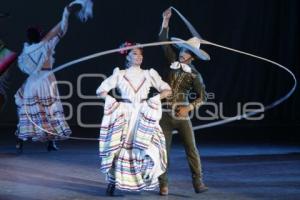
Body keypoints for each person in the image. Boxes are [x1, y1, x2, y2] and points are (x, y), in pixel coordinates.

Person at [14, 1, 91, 153]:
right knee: (50, 109)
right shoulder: (46, 46)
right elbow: (60, 31)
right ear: (40, 36)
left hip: (32, 82)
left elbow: (52, 33)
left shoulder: (27, 49)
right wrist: (66, 14)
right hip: (46, 80)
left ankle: (20, 142)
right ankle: (51, 143)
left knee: (27, 110)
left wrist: (66, 13)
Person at [96, 42, 172, 195]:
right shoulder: (120, 74)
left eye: (140, 54)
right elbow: (101, 91)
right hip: (126, 115)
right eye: (135, 53)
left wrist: (155, 99)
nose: (139, 56)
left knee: (151, 147)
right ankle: (113, 182)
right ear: (127, 57)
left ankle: (144, 177)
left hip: (144, 114)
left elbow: (167, 89)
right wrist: (114, 103)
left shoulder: (149, 73)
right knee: (119, 149)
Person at [158, 7, 209, 195]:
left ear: (192, 56)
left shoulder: (195, 75)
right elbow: (163, 42)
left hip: (182, 114)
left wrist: (189, 107)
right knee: (163, 151)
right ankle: (163, 184)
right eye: (182, 49)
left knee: (192, 149)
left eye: (187, 52)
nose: (182, 53)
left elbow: (203, 96)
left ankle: (198, 183)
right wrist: (165, 22)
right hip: (164, 114)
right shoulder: (172, 60)